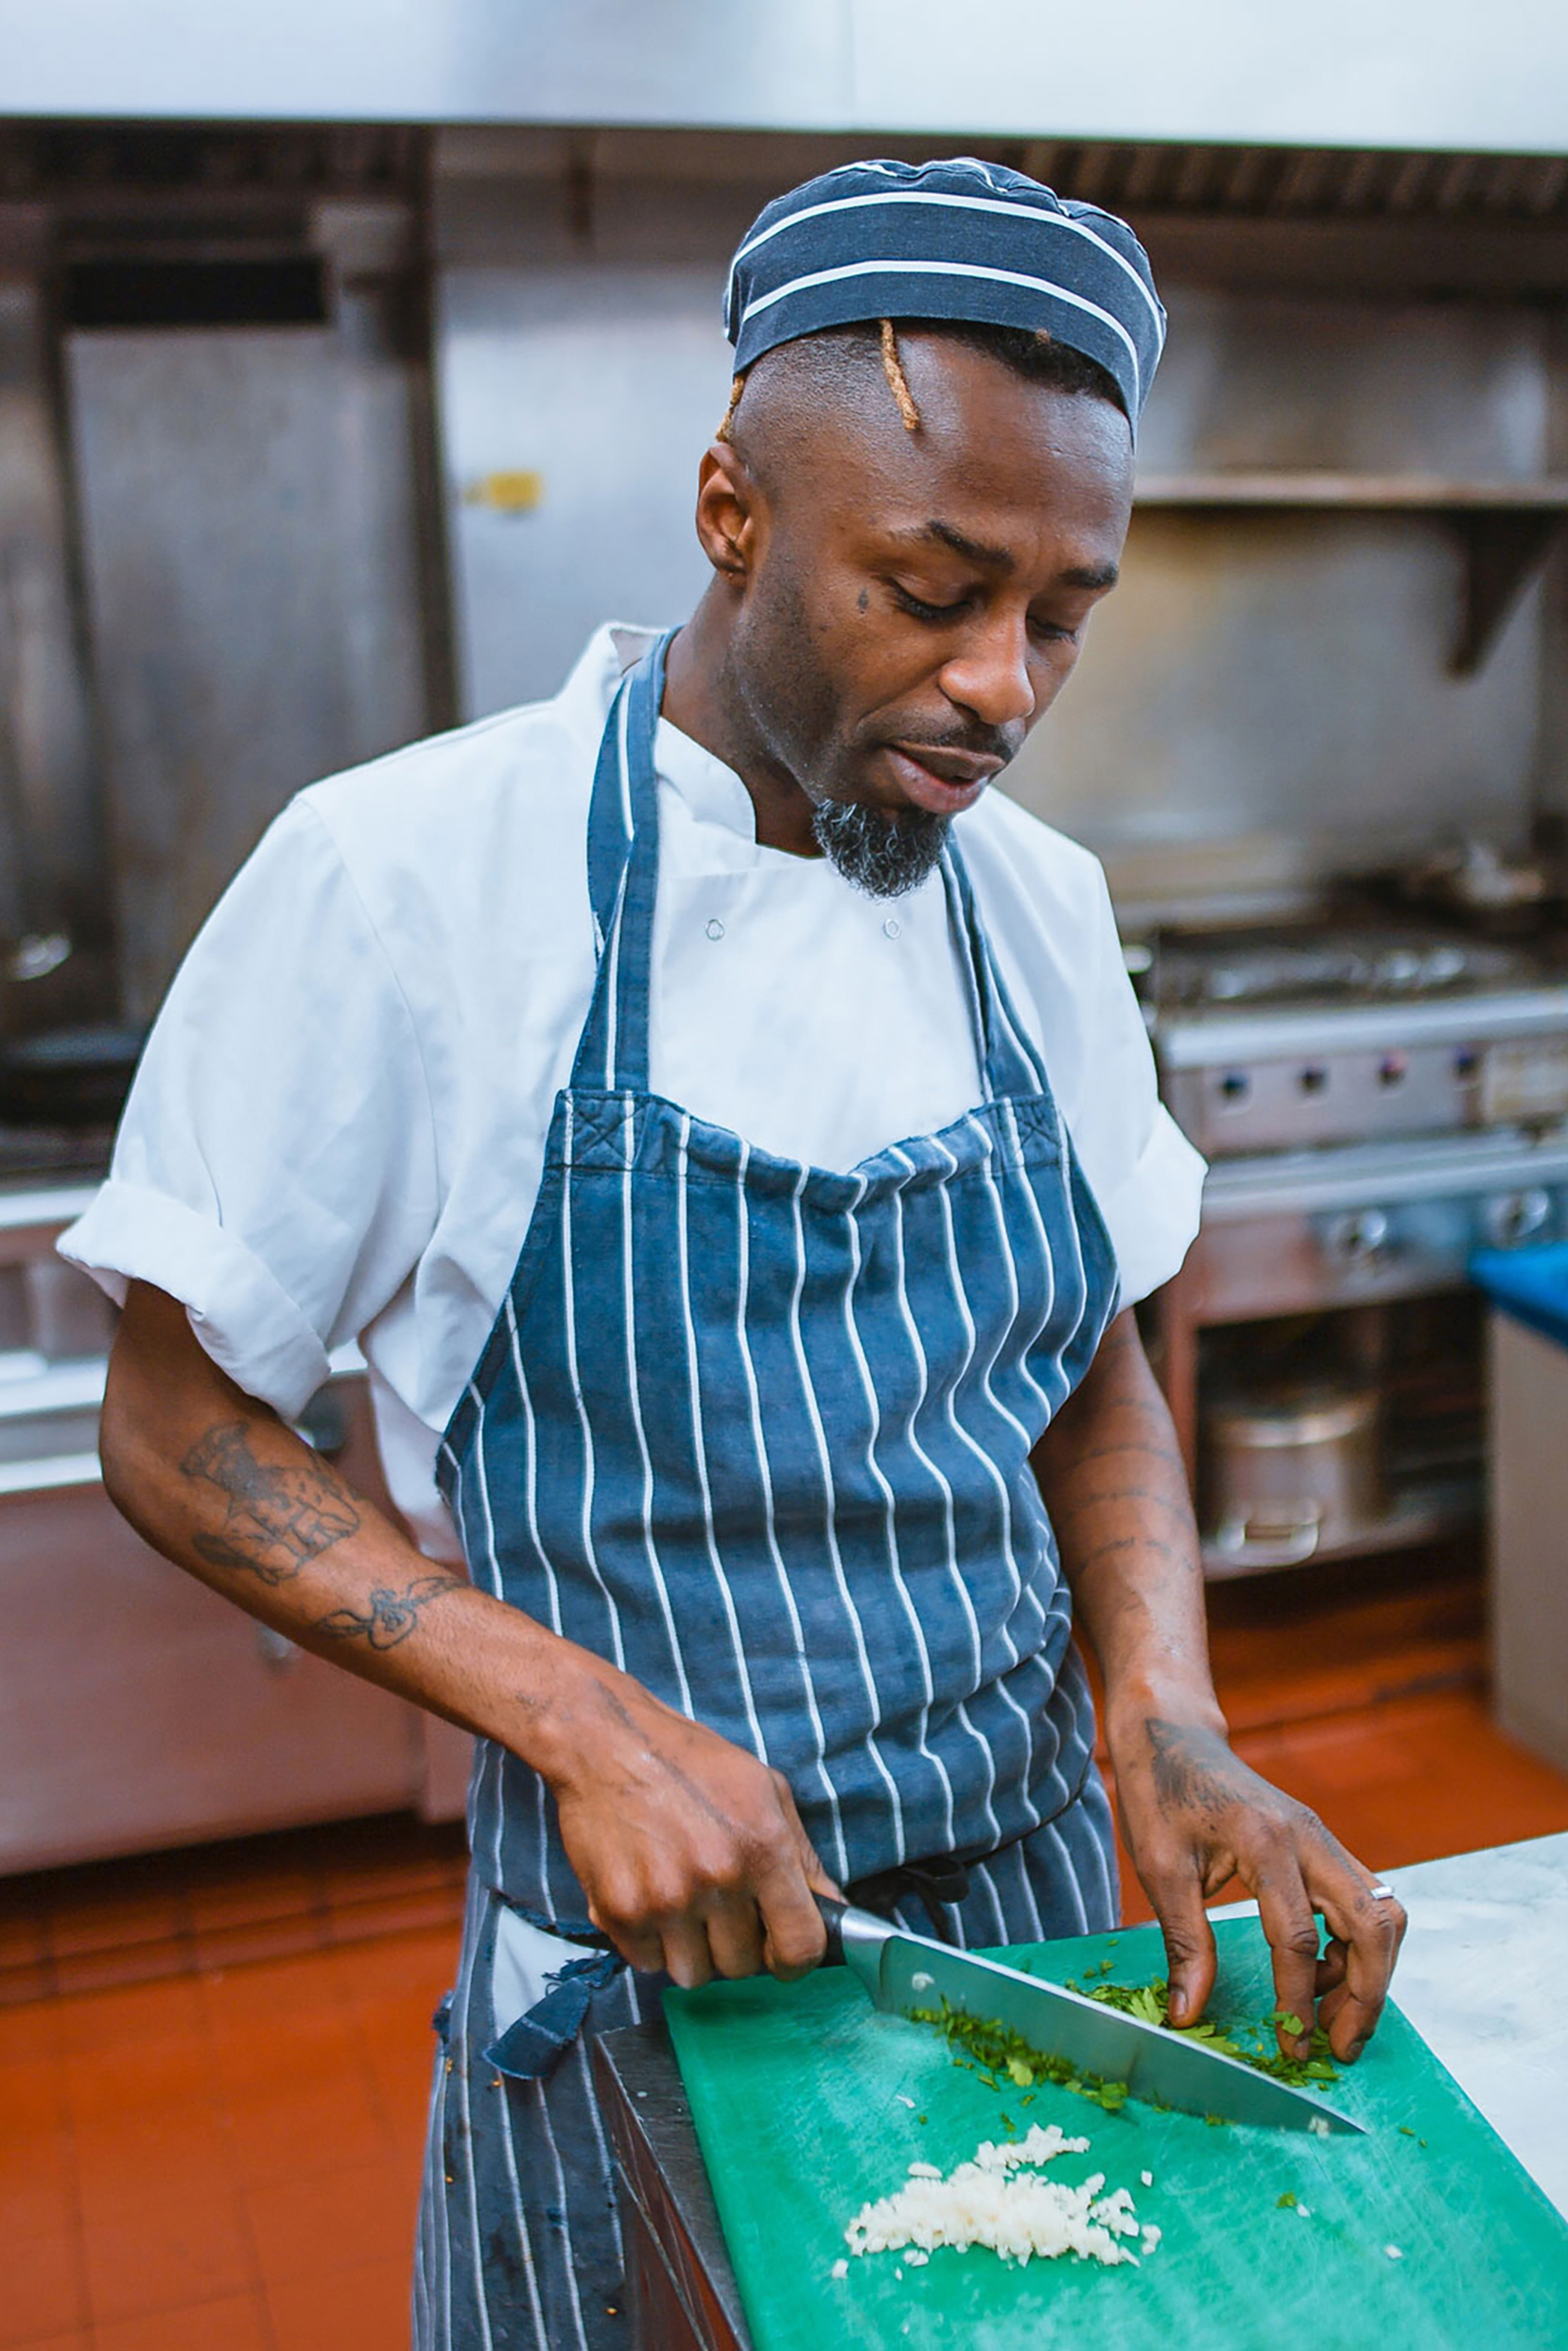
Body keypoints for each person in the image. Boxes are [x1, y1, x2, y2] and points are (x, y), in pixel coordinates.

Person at [65, 157, 1407, 2349]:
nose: (1000, 685)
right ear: (729, 508)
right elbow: (173, 1419)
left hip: (1046, 1945)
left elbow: (1083, 1365)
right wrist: (577, 1721)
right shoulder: (409, 880)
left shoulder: (1035, 908)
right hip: (643, 1985)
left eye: (1062, 612)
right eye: (932, 587)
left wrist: (1162, 1703)